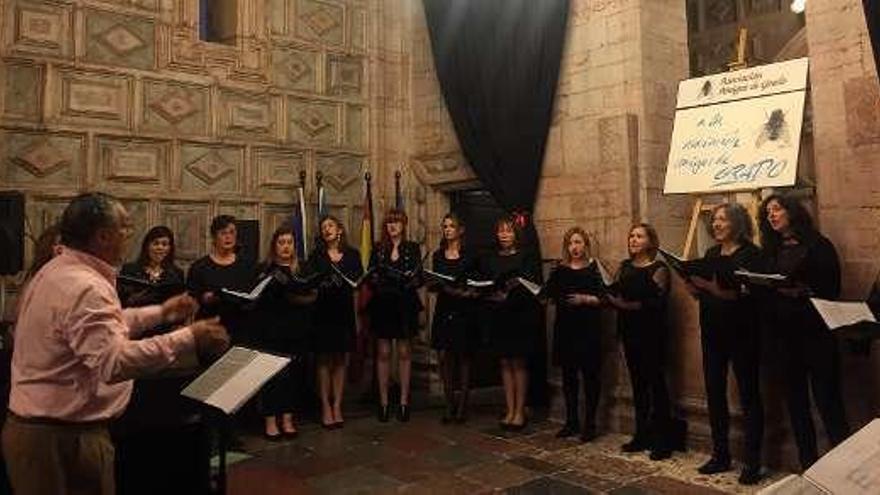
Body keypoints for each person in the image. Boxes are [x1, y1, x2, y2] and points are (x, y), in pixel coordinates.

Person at [2, 193, 229, 495]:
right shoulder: (86, 286)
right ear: (103, 236)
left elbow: (96, 328)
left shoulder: (58, 270)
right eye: (125, 227)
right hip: (63, 439)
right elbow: (113, 361)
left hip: (43, 431)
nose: (129, 235)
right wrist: (188, 337)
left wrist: (160, 313)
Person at [759, 193, 850, 470]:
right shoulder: (771, 250)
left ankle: (846, 468)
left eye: (777, 209)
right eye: (767, 212)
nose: (771, 215)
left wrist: (803, 290)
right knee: (796, 404)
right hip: (784, 336)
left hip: (815, 333)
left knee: (828, 401)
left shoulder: (818, 245)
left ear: (792, 212)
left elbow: (832, 288)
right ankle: (808, 464)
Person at [683, 204, 763, 484]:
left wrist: (717, 290)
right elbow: (706, 294)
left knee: (749, 396)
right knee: (715, 395)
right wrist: (694, 288)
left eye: (722, 220)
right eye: (714, 220)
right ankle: (721, 454)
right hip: (713, 335)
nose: (715, 224)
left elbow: (754, 297)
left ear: (737, 223)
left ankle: (753, 461)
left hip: (743, 334)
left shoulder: (752, 255)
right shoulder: (711, 254)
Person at [607, 223, 675, 460]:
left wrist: (626, 305)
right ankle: (641, 435)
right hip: (630, 331)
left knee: (657, 385)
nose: (633, 240)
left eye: (639, 236)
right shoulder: (624, 267)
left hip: (652, 333)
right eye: (631, 236)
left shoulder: (659, 268)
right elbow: (612, 291)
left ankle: (663, 441)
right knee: (637, 386)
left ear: (650, 241)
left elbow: (656, 303)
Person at [479, 216, 543, 431]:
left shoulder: (526, 256)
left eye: (508, 231)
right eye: (500, 231)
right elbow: (487, 282)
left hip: (520, 314)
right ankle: (509, 409)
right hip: (499, 315)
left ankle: (519, 411)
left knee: (519, 363)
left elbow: (533, 286)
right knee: (505, 363)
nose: (504, 235)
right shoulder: (491, 258)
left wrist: (510, 294)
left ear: (516, 233)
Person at [253, 224, 316, 439]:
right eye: (281, 243)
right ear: (274, 246)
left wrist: (299, 295)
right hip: (271, 329)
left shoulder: (302, 269)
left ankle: (288, 419)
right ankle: (270, 420)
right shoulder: (265, 269)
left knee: (293, 376)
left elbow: (313, 295)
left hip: (296, 328)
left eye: (289, 242)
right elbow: (256, 298)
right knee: (272, 375)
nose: (286, 247)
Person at [543, 227, 604, 442]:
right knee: (569, 377)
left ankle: (590, 423)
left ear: (585, 245)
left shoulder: (594, 269)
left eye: (578, 242)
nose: (574, 247)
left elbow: (606, 298)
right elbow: (548, 297)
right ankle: (571, 421)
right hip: (566, 328)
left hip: (588, 328)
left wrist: (585, 299)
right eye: (570, 243)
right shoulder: (560, 270)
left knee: (590, 377)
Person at [368, 209, 423, 422]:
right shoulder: (378, 248)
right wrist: (375, 279)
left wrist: (412, 280)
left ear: (404, 225)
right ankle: (383, 403)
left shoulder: (412, 248)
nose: (393, 226)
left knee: (404, 353)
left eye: (397, 222)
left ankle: (403, 402)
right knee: (382, 353)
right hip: (383, 304)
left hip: (405, 304)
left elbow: (420, 278)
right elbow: (370, 275)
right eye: (389, 222)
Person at [308, 215, 363, 428]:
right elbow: (311, 284)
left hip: (344, 312)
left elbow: (357, 287)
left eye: (330, 225)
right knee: (323, 362)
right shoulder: (316, 256)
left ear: (339, 230)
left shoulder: (352, 255)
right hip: (322, 312)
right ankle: (325, 406)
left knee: (340, 361)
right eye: (323, 227)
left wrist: (357, 317)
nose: (327, 229)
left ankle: (338, 405)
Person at [428, 213, 479, 424]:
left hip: (465, 309)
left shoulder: (470, 255)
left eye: (451, 226)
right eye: (445, 226)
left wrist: (469, 292)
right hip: (445, 308)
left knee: (464, 358)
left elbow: (479, 282)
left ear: (460, 230)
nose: (447, 229)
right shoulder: (438, 255)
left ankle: (463, 405)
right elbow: (434, 283)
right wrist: (433, 283)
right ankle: (449, 403)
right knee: (445, 358)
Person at [187, 215, 256, 345]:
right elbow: (191, 301)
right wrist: (204, 298)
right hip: (210, 330)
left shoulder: (247, 266)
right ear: (214, 237)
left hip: (240, 329)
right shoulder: (199, 267)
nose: (228, 237)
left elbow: (252, 296)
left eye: (232, 232)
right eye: (223, 233)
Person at [118, 226, 186, 311]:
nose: (160, 248)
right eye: (155, 243)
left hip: (166, 321)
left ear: (170, 248)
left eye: (164, 244)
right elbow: (122, 301)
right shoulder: (130, 270)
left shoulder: (176, 274)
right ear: (147, 246)